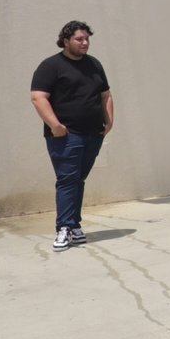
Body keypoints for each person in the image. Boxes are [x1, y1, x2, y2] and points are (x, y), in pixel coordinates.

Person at [30, 20, 114, 253]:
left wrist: (109, 121)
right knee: (67, 180)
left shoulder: (94, 64)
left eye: (87, 38)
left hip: (93, 133)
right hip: (66, 135)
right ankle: (64, 227)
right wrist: (55, 125)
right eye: (79, 39)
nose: (85, 42)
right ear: (65, 41)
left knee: (78, 180)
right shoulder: (51, 66)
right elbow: (38, 97)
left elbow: (105, 95)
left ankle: (74, 225)